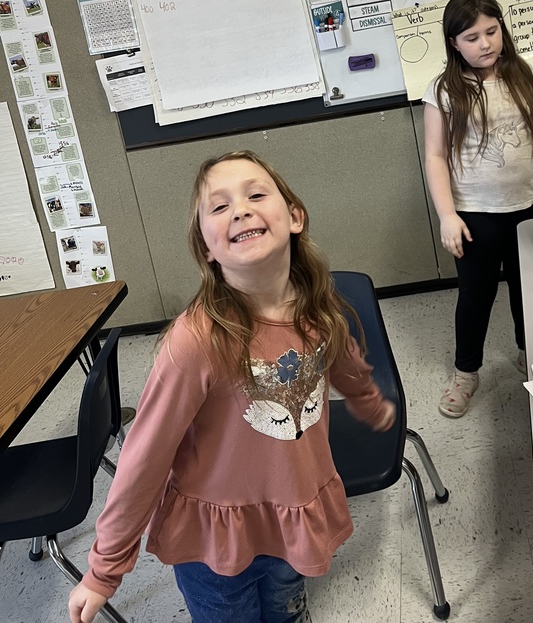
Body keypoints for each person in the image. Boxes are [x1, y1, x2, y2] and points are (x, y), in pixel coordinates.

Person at [68, 151, 395, 623]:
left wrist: (365, 398)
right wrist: (104, 569)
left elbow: (339, 357)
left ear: (295, 216)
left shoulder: (319, 305)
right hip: (213, 545)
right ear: (205, 247)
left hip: (291, 523)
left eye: (256, 194)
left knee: (285, 612)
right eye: (218, 207)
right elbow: (144, 458)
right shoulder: (196, 341)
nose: (240, 209)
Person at [423, 0, 533, 418]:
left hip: (530, 204)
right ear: (454, 43)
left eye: (492, 31)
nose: (485, 44)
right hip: (474, 213)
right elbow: (435, 156)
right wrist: (447, 216)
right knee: (475, 296)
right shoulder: (443, 90)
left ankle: (527, 351)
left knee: (526, 289)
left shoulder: (526, 75)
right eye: (472, 37)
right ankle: (466, 372)